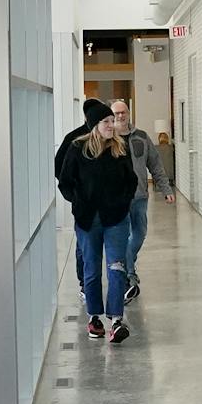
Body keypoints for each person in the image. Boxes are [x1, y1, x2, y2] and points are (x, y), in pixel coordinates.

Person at [58, 105, 136, 342]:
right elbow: (65, 182)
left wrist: (123, 202)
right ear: (95, 126)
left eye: (112, 121)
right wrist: (78, 202)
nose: (112, 125)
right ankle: (94, 318)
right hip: (88, 220)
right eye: (106, 122)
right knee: (91, 269)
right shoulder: (77, 148)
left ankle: (116, 320)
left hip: (116, 220)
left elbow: (131, 181)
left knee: (116, 267)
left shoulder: (120, 148)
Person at [108, 99, 173, 303]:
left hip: (139, 196)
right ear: (111, 116)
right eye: (116, 113)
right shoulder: (107, 139)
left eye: (123, 112)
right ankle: (129, 275)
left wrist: (166, 189)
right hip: (117, 199)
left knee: (139, 234)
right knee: (122, 237)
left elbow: (155, 164)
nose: (120, 116)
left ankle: (128, 267)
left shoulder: (142, 137)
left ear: (129, 113)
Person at [55, 98, 110, 295]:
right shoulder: (74, 139)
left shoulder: (110, 138)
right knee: (84, 246)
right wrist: (76, 196)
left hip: (110, 206)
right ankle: (84, 283)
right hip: (85, 207)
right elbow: (59, 168)